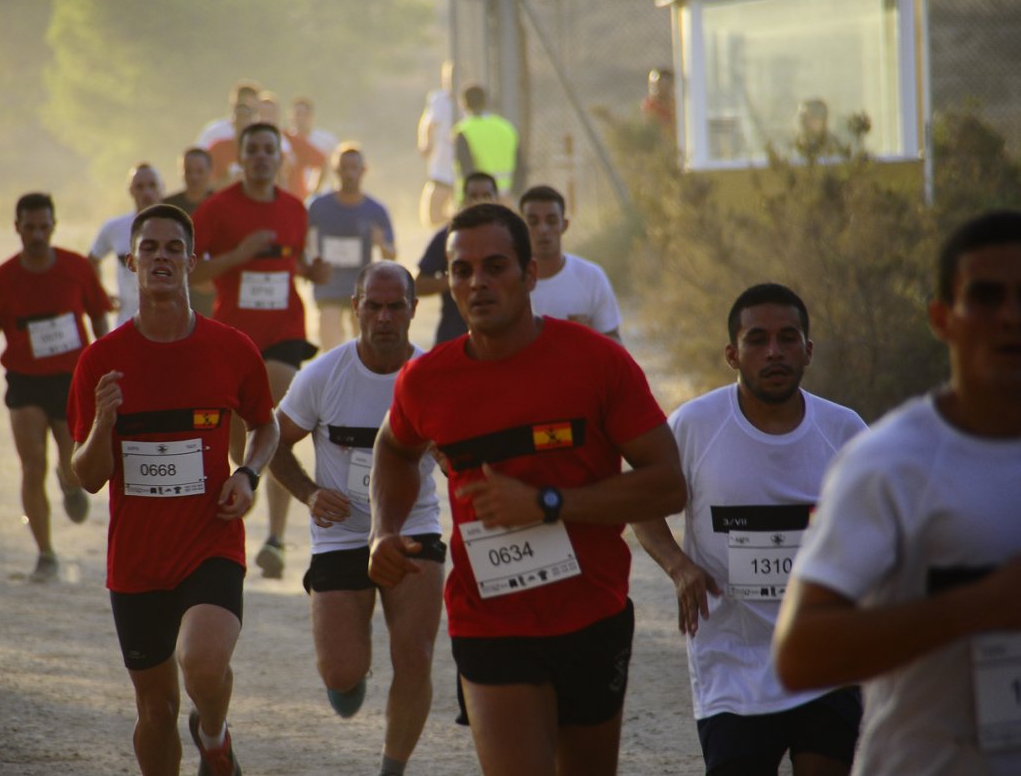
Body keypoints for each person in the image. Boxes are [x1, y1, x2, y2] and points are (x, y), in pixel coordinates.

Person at [370, 203, 687, 776]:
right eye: (462, 270)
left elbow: (667, 484)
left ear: (530, 273)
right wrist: (382, 530)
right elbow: (394, 448)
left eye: (495, 267)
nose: (477, 283)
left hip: (591, 615)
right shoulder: (426, 380)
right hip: (488, 620)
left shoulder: (597, 362)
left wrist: (548, 504)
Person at [773, 210, 1021, 776]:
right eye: (985, 297)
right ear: (942, 318)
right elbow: (801, 654)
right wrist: (983, 605)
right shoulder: (887, 464)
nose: (1011, 316)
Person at [68, 203, 278, 776]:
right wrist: (104, 423)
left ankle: (214, 736)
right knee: (156, 710)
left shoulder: (230, 347)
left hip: (210, 542)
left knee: (203, 666)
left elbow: (266, 426)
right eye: (150, 248)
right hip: (137, 560)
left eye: (174, 248)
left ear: (192, 261)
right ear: (131, 262)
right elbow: (87, 477)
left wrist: (248, 474)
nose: (161, 257)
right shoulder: (101, 361)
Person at [632, 283, 867, 776]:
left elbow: (888, 527)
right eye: (757, 340)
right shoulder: (695, 426)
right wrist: (679, 567)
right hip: (731, 664)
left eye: (788, 338)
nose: (774, 351)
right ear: (732, 355)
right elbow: (643, 504)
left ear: (808, 350)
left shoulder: (845, 431)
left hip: (825, 657)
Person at [269, 262, 444, 776]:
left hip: (413, 527)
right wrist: (308, 493)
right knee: (340, 674)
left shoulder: (434, 378)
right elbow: (274, 441)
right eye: (373, 306)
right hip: (341, 533)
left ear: (413, 310)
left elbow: (471, 454)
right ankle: (350, 669)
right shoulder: (324, 374)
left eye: (395, 307)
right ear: (355, 308)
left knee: (415, 656)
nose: (384, 317)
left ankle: (392, 769)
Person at [191, 121, 331, 580]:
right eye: (253, 149)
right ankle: (245, 483)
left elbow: (295, 260)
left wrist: (312, 271)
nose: (261, 157)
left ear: (280, 158)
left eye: (270, 150)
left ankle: (275, 538)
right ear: (241, 157)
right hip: (234, 334)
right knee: (245, 447)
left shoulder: (294, 208)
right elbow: (192, 272)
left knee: (277, 426)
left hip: (285, 329)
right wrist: (239, 254)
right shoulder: (217, 208)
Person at [0, 192, 111, 582]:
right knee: (32, 466)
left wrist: (107, 359)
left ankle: (70, 487)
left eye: (44, 227)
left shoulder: (77, 268)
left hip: (70, 381)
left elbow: (99, 316)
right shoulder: (3, 278)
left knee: (71, 463)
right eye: (29, 228)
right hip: (25, 382)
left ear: (54, 226)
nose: (37, 235)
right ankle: (45, 553)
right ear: (17, 228)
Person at [308, 144, 396, 351]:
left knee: (363, 345)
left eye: (354, 168)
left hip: (361, 286)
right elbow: (305, 242)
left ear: (363, 170)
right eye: (343, 169)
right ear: (335, 171)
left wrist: (381, 243)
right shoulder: (318, 206)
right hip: (328, 284)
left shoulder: (375, 210)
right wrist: (311, 266)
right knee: (330, 342)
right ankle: (333, 371)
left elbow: (392, 254)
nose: (349, 174)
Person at [519, 185, 623, 342]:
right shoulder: (510, 282)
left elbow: (614, 341)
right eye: (533, 222)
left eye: (551, 221)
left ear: (564, 225)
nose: (543, 229)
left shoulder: (592, 277)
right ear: (521, 227)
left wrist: (588, 337)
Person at [414, 171, 498, 345]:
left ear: (496, 200)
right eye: (473, 196)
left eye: (486, 196)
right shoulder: (448, 237)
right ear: (463, 200)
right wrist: (455, 279)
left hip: (500, 335)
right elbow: (418, 285)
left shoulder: (509, 236)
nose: (479, 202)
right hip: (454, 335)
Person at [89, 162, 163, 328]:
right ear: (130, 190)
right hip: (128, 322)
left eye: (152, 185)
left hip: (168, 322)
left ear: (162, 187)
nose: (146, 193)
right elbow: (93, 259)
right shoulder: (115, 227)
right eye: (139, 187)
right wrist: (102, 294)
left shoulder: (178, 228)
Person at [163, 147, 216, 319]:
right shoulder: (167, 207)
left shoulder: (222, 205)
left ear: (210, 172)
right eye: (188, 171)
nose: (194, 177)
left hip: (215, 289)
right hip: (177, 289)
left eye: (199, 171)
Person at [451, 85, 524, 207]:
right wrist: (514, 194)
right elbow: (520, 165)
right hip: (506, 197)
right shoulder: (506, 127)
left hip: (477, 198)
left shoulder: (463, 130)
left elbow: (466, 168)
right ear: (486, 102)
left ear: (463, 104)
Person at [417, 60, 457, 227]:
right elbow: (428, 123)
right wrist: (425, 143)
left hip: (464, 165)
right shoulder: (438, 99)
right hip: (442, 164)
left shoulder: (467, 99)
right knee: (433, 215)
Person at [286, 96, 338, 201]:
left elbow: (333, 167)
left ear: (312, 116)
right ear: (291, 116)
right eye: (298, 114)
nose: (301, 118)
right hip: (294, 194)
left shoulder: (327, 139)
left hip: (322, 196)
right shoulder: (284, 141)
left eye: (305, 114)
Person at [196, 80, 261, 150]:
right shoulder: (215, 131)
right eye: (242, 106)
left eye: (251, 107)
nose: (245, 111)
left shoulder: (261, 132)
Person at [641, 67, 676, 135]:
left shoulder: (676, 105)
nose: (656, 88)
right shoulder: (649, 106)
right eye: (653, 84)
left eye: (664, 84)